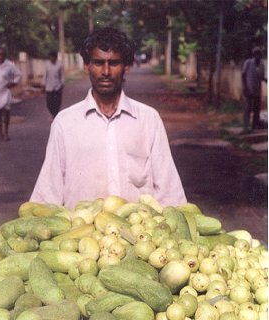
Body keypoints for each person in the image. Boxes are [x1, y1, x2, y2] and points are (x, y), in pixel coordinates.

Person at [30, 27, 187, 208]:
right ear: (87, 66)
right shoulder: (65, 123)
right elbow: (48, 193)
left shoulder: (148, 120)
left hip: (139, 232)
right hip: (79, 232)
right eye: (98, 63)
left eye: (113, 63)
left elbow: (169, 192)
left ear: (126, 67)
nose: (106, 71)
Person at [242, 46, 267, 132]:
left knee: (257, 108)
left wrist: (265, 80)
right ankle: (246, 126)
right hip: (249, 88)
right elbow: (243, 75)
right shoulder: (248, 62)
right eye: (256, 54)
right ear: (253, 55)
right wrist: (245, 87)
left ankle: (254, 125)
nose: (258, 56)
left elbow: (262, 77)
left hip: (257, 90)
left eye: (259, 54)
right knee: (248, 108)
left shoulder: (262, 65)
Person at [43, 50, 65, 118]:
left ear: (56, 57)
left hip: (57, 86)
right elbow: (45, 75)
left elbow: (62, 75)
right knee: (49, 103)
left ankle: (55, 114)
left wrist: (62, 84)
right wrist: (43, 84)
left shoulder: (60, 65)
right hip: (49, 87)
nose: (52, 58)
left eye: (53, 57)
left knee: (57, 102)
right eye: (51, 57)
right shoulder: (47, 65)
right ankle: (53, 113)